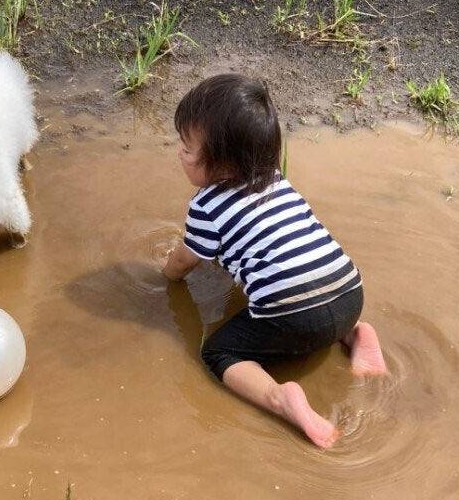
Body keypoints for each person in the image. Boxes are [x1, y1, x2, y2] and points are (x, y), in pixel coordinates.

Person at [162, 73, 386, 448]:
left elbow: (184, 262)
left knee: (217, 352)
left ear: (219, 163)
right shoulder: (276, 180)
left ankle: (279, 398)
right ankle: (359, 333)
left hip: (294, 317)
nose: (179, 154)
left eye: (186, 148)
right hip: (350, 293)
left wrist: (165, 275)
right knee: (318, 302)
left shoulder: (205, 207)